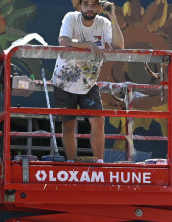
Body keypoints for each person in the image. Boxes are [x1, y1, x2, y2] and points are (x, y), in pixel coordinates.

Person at [52, 0, 124, 162]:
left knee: (98, 122)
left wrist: (113, 17)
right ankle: (71, 162)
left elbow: (119, 47)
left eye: (94, 4)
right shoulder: (71, 17)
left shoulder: (103, 23)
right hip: (64, 80)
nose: (89, 8)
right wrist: (89, 45)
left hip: (88, 82)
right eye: (86, 4)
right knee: (68, 126)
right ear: (79, 6)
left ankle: (99, 163)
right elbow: (63, 41)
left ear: (99, 8)